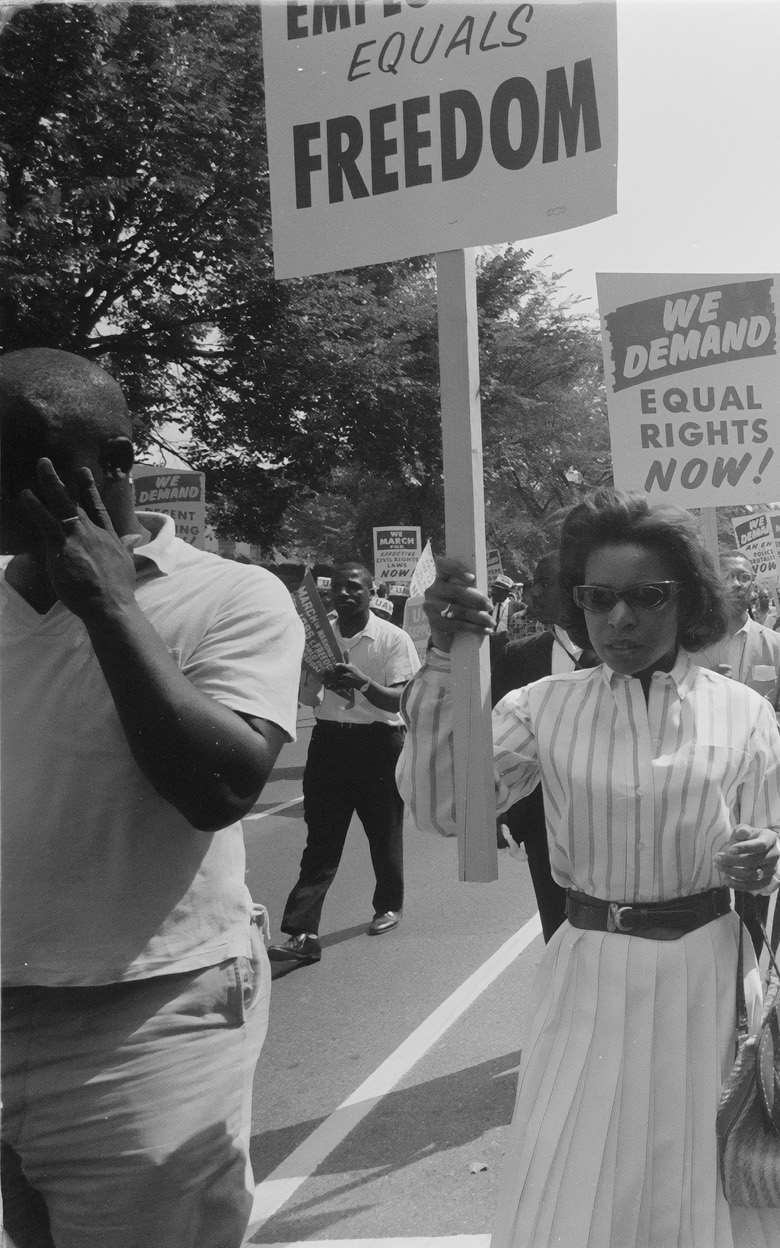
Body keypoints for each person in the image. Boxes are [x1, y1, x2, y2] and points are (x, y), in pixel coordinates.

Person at [402, 489, 780, 1248]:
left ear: (687, 601)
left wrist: (767, 854)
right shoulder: (542, 707)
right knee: (574, 1184)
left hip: (710, 979)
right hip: (589, 972)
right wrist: (444, 664)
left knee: (706, 1188)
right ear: (575, 602)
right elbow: (444, 807)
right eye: (597, 598)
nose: (620, 619)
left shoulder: (739, 711)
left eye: (646, 597)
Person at [1, 349, 304, 1246]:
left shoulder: (232, 597)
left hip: (147, 1021)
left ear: (120, 464)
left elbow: (218, 787)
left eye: (24, 468)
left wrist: (110, 609)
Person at [268, 560, 420, 965]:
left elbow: (403, 699)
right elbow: (307, 700)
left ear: (371, 592)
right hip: (329, 744)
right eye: (338, 588)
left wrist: (362, 684)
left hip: (380, 745)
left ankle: (389, 905)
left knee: (383, 833)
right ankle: (302, 932)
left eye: (355, 587)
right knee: (321, 839)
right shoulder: (317, 640)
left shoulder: (393, 638)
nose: (346, 594)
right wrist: (315, 679)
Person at [491, 552, 598, 942]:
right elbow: (497, 742)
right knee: (559, 936)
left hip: (609, 816)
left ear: (574, 589)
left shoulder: (623, 650)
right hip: (542, 822)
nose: (532, 592)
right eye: (531, 584)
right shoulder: (519, 655)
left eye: (543, 583)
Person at [688, 552, 780, 746]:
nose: (735, 584)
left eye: (744, 577)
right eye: (726, 575)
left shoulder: (779, 645)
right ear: (711, 582)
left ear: (753, 586)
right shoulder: (688, 645)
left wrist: (751, 741)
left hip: (760, 765)